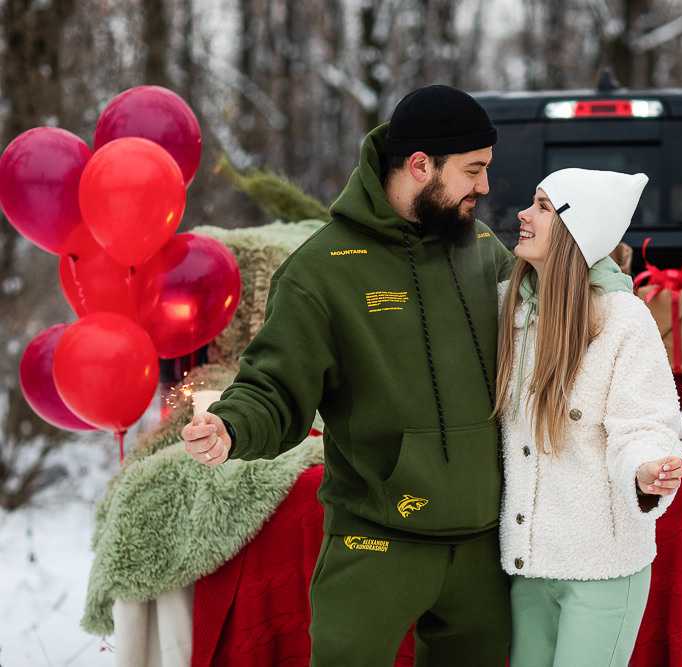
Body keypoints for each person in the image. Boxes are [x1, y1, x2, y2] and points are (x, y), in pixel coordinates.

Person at [181, 85, 515, 665]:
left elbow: (547, 327)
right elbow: (275, 386)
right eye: (473, 170)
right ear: (419, 167)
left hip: (485, 545)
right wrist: (232, 426)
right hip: (377, 539)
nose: (484, 187)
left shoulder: (482, 247)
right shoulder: (320, 271)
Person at [494, 168, 682, 666]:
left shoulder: (622, 320)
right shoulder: (508, 311)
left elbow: (643, 423)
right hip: (527, 565)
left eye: (542, 206)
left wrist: (647, 471)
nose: (523, 214)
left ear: (576, 229)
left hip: (600, 569)